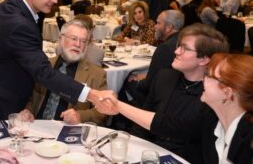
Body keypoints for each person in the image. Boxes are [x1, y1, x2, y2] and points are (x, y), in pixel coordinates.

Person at [98, 23, 229, 163]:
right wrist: (132, 153)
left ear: (204, 59)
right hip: (151, 153)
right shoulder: (165, 77)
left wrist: (117, 105)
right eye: (179, 46)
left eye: (185, 48)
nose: (176, 51)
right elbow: (142, 123)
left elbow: (172, 126)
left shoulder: (213, 95)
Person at [100, 53, 253, 163]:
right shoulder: (211, 118)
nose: (203, 79)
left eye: (209, 76)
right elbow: (169, 125)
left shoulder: (248, 142)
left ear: (226, 93)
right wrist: (117, 105)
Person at [24, 19, 107, 125]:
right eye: (74, 38)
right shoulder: (44, 66)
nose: (78, 44)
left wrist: (80, 116)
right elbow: (29, 97)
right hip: (37, 127)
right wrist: (27, 110)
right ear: (60, 39)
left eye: (83, 41)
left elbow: (103, 111)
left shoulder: (97, 74)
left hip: (69, 132)